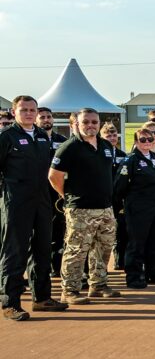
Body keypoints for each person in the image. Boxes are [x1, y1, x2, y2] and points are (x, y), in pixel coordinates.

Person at [0, 96, 66, 320]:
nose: (29, 113)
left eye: (32, 110)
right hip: (16, 202)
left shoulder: (41, 136)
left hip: (42, 201)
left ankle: (42, 298)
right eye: (24, 110)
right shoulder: (6, 137)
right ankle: (11, 303)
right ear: (13, 111)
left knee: (42, 249)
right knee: (14, 252)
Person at [48, 108, 119, 302]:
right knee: (76, 250)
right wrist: (67, 196)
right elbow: (54, 176)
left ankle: (98, 284)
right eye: (86, 122)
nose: (90, 125)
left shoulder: (105, 145)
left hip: (105, 207)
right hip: (80, 209)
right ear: (76, 124)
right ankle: (69, 291)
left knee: (103, 248)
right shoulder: (69, 147)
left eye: (94, 122)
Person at [115, 129, 155, 289]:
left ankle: (154, 271)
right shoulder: (130, 160)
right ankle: (134, 276)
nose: (147, 142)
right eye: (142, 139)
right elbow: (120, 186)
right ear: (136, 141)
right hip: (138, 207)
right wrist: (122, 206)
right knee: (137, 243)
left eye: (150, 139)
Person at [37, 107, 68, 275]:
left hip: (56, 192)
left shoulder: (61, 140)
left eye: (49, 117)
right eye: (42, 117)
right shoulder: (34, 139)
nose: (46, 120)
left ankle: (56, 267)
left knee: (58, 231)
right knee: (40, 233)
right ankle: (42, 267)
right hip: (37, 192)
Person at [102, 122, 130, 271]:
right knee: (103, 233)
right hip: (103, 198)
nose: (112, 138)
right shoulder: (99, 152)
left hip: (118, 198)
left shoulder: (122, 155)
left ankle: (120, 260)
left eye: (114, 135)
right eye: (108, 135)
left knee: (121, 230)